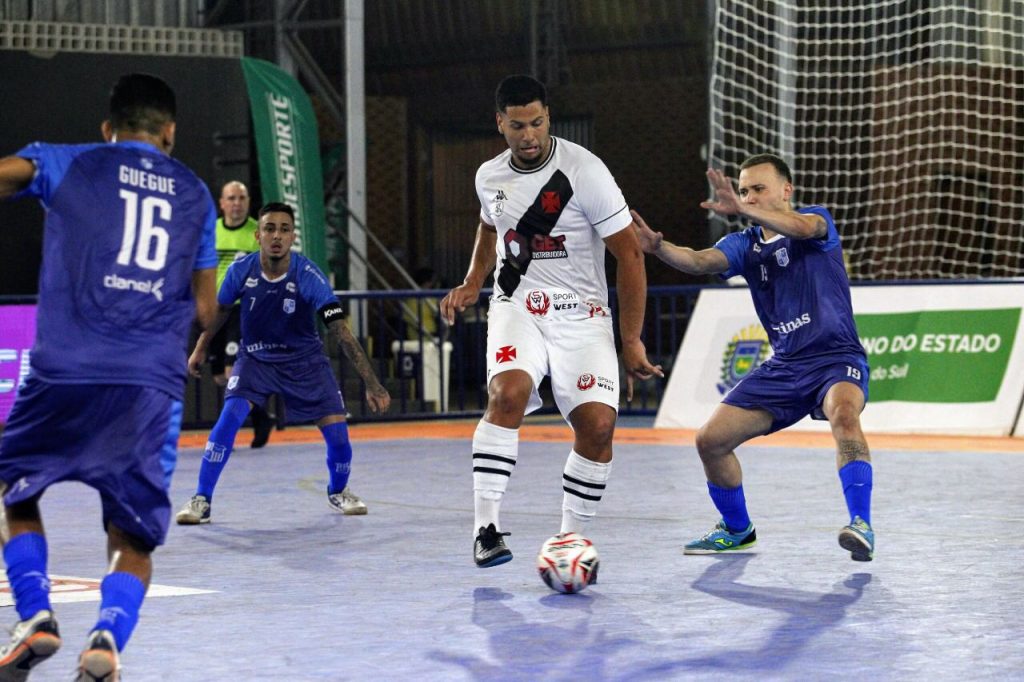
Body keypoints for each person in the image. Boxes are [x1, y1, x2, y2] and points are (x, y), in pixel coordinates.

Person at [0, 73, 218, 680]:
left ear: (109, 129)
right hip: (148, 382)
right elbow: (204, 311)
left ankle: (36, 615)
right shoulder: (196, 195)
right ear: (169, 133)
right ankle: (106, 638)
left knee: (12, 489)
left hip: (64, 367)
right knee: (133, 537)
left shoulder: (68, 162)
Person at [440, 74, 663, 569]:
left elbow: (629, 255)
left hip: (582, 315)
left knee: (599, 426)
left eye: (537, 122)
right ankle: (485, 529)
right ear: (500, 124)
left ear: (549, 119)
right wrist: (474, 280)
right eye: (517, 125)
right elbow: (487, 224)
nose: (529, 135)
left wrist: (630, 340)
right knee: (507, 395)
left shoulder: (586, 172)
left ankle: (570, 539)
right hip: (518, 305)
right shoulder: (488, 176)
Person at [632, 153, 875, 561]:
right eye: (743, 191)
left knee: (844, 415)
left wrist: (743, 209)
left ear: (786, 190)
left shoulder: (817, 222)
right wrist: (660, 248)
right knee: (710, 441)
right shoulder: (745, 245)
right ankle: (737, 530)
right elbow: (698, 260)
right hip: (784, 367)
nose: (749, 197)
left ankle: (861, 524)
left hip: (835, 359)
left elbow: (799, 226)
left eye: (758, 189)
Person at [175, 201, 391, 526]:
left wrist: (372, 383)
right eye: (270, 229)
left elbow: (341, 332)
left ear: (293, 238)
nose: (277, 236)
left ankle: (339, 491)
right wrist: (200, 348)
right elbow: (220, 312)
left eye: (285, 230)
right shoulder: (241, 271)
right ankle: (202, 499)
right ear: (258, 235)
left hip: (305, 362)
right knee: (227, 422)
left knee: (339, 438)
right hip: (256, 359)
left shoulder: (307, 276)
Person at [208, 180, 274, 448]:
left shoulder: (256, 234)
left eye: (241, 198)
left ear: (248, 203)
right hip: (215, 309)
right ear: (222, 203)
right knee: (219, 376)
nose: (236, 203)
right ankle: (260, 416)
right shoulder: (210, 232)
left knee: (231, 368)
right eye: (231, 198)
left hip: (244, 309)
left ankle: (225, 434)